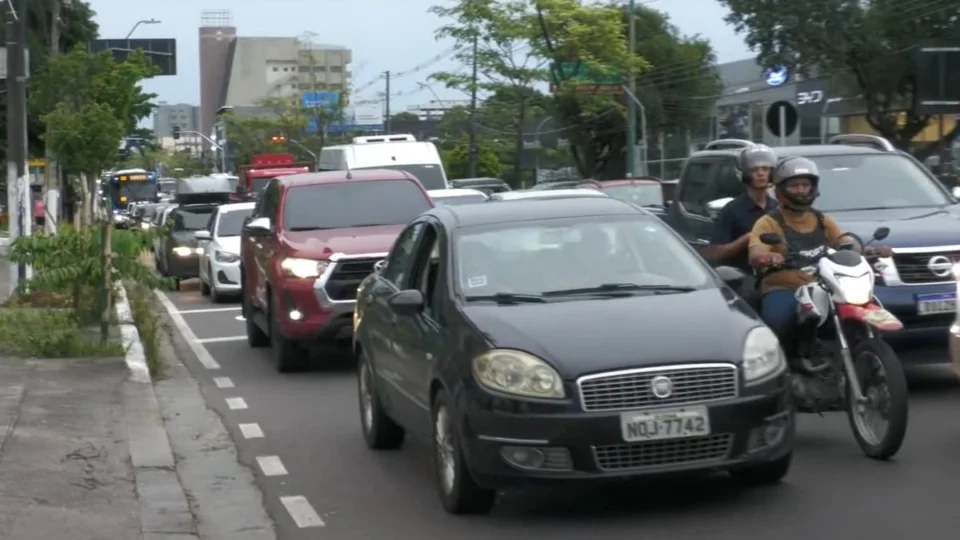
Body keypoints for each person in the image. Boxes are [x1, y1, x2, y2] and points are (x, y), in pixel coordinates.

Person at [748, 156, 892, 347]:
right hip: (784, 287)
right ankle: (784, 360)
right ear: (781, 189)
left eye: (805, 185)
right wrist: (766, 256)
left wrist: (870, 250)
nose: (801, 190)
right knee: (778, 321)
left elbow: (844, 243)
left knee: (864, 307)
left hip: (823, 285)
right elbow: (756, 253)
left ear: (813, 187)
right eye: (794, 185)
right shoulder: (768, 222)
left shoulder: (822, 220)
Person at [702, 144, 778, 272]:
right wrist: (747, 239)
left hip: (776, 276)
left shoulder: (778, 208)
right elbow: (713, 255)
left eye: (765, 169)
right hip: (742, 277)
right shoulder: (731, 210)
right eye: (754, 170)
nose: (761, 173)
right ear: (744, 174)